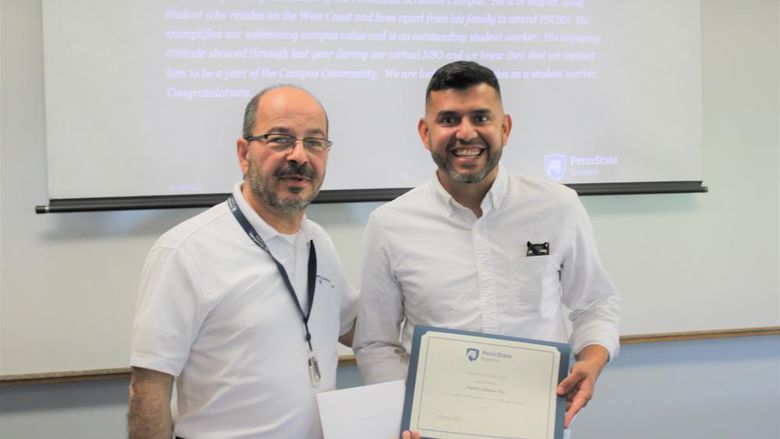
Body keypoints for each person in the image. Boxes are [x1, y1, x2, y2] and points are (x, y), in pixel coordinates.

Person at [353, 61, 621, 434]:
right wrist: (408, 413)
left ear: (504, 128)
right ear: (425, 132)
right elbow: (375, 343)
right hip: (436, 431)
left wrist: (592, 360)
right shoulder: (390, 224)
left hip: (537, 425)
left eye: (480, 117)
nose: (466, 133)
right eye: (448, 119)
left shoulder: (559, 207)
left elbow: (596, 303)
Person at [128, 85, 359, 438]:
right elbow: (148, 390)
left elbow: (355, 327)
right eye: (280, 139)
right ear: (243, 152)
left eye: (314, 142)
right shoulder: (185, 251)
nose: (299, 156)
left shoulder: (318, 243)